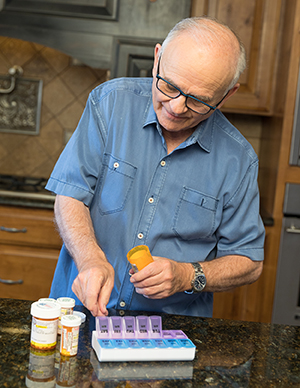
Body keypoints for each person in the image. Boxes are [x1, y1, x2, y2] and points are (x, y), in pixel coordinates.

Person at [46, 16, 265, 318]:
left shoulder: (238, 159)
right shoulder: (109, 103)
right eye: (170, 86)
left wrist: (188, 275)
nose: (176, 107)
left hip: (169, 333)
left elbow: (249, 261)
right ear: (157, 58)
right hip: (80, 317)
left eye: (199, 101)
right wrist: (90, 259)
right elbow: (70, 195)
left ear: (227, 94)